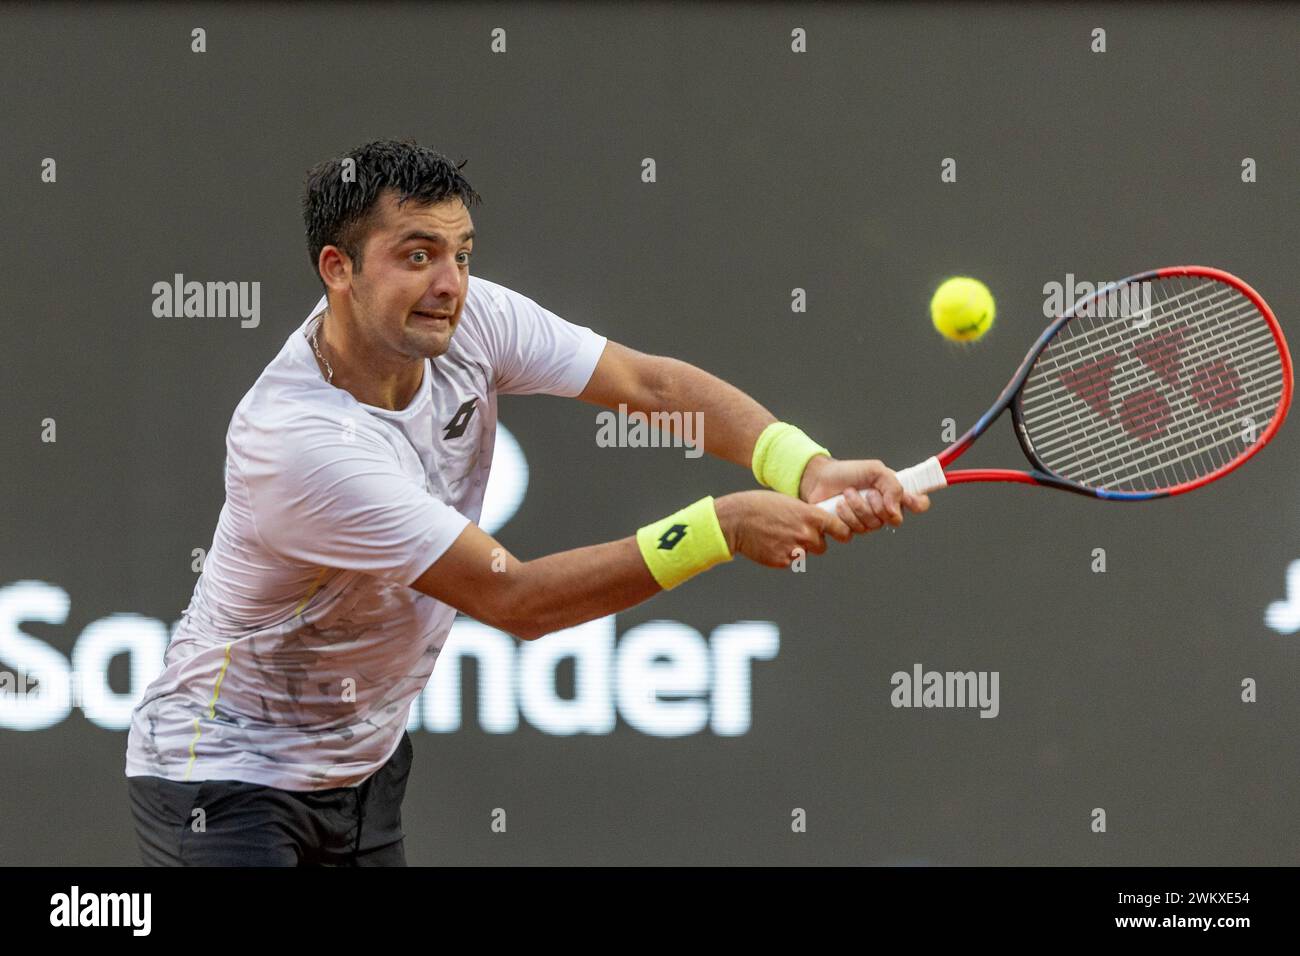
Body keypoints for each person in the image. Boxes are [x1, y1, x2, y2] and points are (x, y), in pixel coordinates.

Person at [124, 138, 930, 866]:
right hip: (222, 783)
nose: (449, 284)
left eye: (461, 254)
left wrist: (805, 467)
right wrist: (719, 526)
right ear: (337, 268)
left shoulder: (469, 321)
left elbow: (648, 385)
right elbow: (515, 598)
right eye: (416, 255)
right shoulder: (302, 445)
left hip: (364, 767)